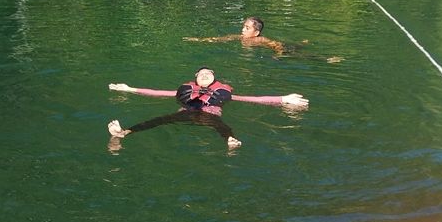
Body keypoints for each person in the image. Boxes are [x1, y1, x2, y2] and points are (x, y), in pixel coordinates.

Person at [107, 66, 308, 149]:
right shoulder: (187, 91)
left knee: (220, 125)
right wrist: (129, 89)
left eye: (208, 73)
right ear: (195, 79)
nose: (204, 75)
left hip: (209, 114)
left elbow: (254, 99)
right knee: (158, 120)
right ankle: (124, 133)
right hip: (186, 113)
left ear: (214, 78)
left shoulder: (222, 93)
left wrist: (283, 99)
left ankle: (230, 140)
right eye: (200, 73)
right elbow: (157, 92)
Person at [184, 17, 288, 55]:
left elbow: (278, 46)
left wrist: (277, 55)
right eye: (243, 27)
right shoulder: (241, 37)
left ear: (256, 33)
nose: (243, 30)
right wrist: (199, 40)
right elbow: (221, 39)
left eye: (247, 28)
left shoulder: (261, 39)